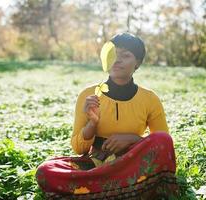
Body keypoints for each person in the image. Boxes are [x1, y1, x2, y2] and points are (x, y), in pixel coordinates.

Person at [36, 33, 177, 199]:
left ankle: (96, 190)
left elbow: (163, 144)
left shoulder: (149, 98)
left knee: (163, 138)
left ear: (137, 63)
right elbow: (78, 148)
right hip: (94, 165)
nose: (117, 60)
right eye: (113, 54)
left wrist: (132, 139)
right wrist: (92, 124)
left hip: (132, 164)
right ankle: (127, 189)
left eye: (125, 55)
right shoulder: (88, 95)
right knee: (46, 170)